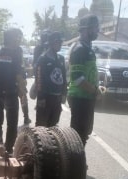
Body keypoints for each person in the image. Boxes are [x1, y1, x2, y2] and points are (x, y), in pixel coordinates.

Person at [0, 28, 26, 157]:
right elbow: (19, 77)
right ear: (12, 39)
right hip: (10, 93)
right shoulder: (15, 54)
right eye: (17, 38)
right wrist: (23, 94)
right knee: (12, 122)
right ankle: (9, 148)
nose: (19, 41)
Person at [67, 14, 100, 146]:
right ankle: (74, 164)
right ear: (86, 29)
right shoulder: (79, 49)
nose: (97, 31)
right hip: (80, 97)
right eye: (95, 28)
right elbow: (77, 79)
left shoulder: (88, 48)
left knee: (84, 133)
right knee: (77, 135)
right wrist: (95, 91)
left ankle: (77, 162)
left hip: (87, 97)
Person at [34, 31, 67, 127]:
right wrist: (41, 97)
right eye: (58, 42)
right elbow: (39, 79)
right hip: (46, 97)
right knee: (41, 126)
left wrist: (64, 93)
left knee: (54, 124)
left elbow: (63, 77)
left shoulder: (61, 58)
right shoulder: (42, 59)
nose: (60, 45)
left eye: (61, 42)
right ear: (51, 43)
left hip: (57, 98)